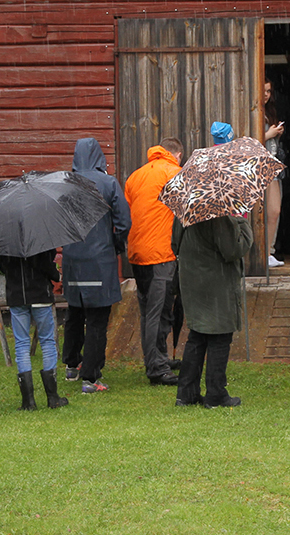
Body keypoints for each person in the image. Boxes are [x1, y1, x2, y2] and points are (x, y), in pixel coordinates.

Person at [61, 137, 132, 394]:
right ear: (99, 156)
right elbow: (124, 221)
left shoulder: (66, 184)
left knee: (74, 312)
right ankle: (90, 377)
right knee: (97, 319)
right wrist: (115, 244)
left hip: (71, 259)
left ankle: (71, 364)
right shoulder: (108, 183)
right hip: (99, 260)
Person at [172, 214, 254, 408]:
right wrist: (242, 221)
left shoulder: (187, 209)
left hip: (193, 279)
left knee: (197, 336)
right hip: (216, 283)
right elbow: (234, 249)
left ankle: (186, 394)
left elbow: (175, 243)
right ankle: (216, 395)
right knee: (220, 336)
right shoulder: (219, 216)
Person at [124, 137, 185, 386]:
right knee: (158, 312)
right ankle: (156, 368)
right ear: (178, 154)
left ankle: (157, 357)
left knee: (148, 309)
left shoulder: (135, 176)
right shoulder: (175, 173)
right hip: (161, 253)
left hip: (137, 252)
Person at [0, 249, 68, 410]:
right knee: (47, 342)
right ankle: (53, 398)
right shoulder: (41, 240)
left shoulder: (6, 242)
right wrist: (57, 276)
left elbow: (3, 267)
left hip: (17, 296)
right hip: (40, 295)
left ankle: (28, 402)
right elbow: (48, 268)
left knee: (21, 344)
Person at [263, 79, 287, 268]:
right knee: (263, 211)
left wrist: (276, 135)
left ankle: (268, 251)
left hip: (273, 164)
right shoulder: (251, 111)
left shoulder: (268, 112)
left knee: (274, 210)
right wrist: (267, 135)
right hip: (258, 167)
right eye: (263, 91)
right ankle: (261, 253)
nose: (266, 95)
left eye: (269, 91)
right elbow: (244, 139)